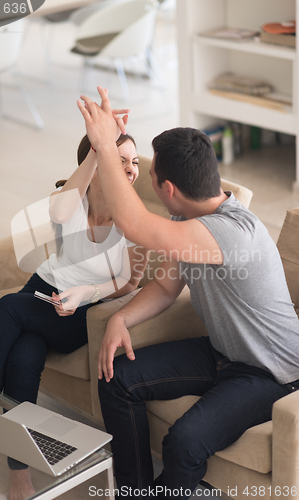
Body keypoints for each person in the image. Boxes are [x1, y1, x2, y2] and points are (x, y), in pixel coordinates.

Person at [77, 87, 299, 499]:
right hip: (224, 353)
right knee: (117, 377)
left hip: (274, 372)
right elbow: (164, 286)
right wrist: (121, 318)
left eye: (150, 175)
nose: (146, 178)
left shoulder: (229, 233)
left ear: (170, 189)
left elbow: (135, 223)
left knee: (184, 442)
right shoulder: (189, 220)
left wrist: (106, 146)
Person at [0, 125, 149, 500]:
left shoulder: (134, 217)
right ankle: (19, 477)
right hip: (41, 290)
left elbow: (131, 284)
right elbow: (60, 207)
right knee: (24, 355)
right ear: (96, 162)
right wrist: (99, 145)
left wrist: (87, 291)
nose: (132, 169)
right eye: (121, 160)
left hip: (82, 309)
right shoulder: (72, 200)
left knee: (7, 308)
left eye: (134, 162)